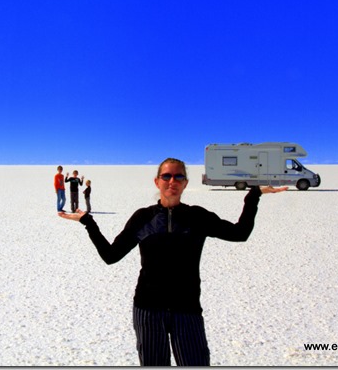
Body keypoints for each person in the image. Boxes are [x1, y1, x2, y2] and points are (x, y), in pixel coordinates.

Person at [58, 157, 287, 366]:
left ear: (185, 183)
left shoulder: (197, 217)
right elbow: (111, 255)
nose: (172, 181)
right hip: (148, 310)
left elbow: (240, 233)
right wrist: (88, 222)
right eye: (166, 176)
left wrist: (254, 195)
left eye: (178, 176)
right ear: (157, 181)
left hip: (186, 309)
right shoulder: (143, 218)